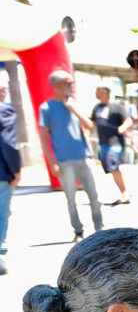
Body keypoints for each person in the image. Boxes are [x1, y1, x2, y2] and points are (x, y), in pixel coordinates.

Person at [38, 69, 102, 242]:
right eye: (68, 83)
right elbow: (43, 138)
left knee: (94, 195)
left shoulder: (74, 104)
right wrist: (52, 162)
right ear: (57, 85)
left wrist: (73, 109)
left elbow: (89, 126)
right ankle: (78, 231)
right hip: (65, 161)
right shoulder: (46, 108)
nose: (72, 86)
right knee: (71, 198)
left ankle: (99, 228)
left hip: (84, 156)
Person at [90, 86, 133, 203]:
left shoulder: (117, 107)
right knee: (109, 166)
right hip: (103, 143)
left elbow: (128, 120)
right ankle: (124, 191)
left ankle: (125, 192)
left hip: (115, 141)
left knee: (112, 163)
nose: (96, 93)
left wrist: (122, 127)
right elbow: (91, 123)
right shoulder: (97, 108)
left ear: (105, 92)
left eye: (98, 91)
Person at [0, 74, 19, 276]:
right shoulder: (4, 110)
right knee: (1, 214)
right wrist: (16, 169)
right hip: (1, 172)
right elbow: (8, 143)